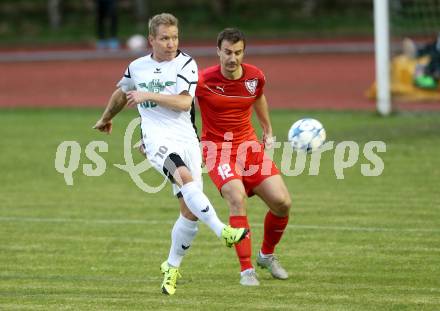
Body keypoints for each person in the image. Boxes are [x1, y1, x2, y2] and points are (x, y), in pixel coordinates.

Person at [93, 13, 248, 295]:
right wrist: (106, 118)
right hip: (155, 138)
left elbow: (183, 102)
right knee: (185, 177)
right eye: (164, 38)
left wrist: (148, 95)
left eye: (174, 37)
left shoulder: (186, 63)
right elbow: (121, 92)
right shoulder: (137, 67)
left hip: (186, 139)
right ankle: (223, 231)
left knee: (189, 213)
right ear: (151, 39)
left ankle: (171, 266)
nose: (170, 43)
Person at [195, 28, 292, 286]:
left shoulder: (255, 76)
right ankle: (246, 270)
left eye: (238, 53)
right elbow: (182, 104)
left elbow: (258, 97)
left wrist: (268, 129)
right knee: (237, 198)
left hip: (248, 148)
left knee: (282, 203)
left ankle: (266, 255)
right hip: (217, 150)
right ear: (218, 51)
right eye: (227, 52)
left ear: (243, 52)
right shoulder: (202, 81)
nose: (232, 58)